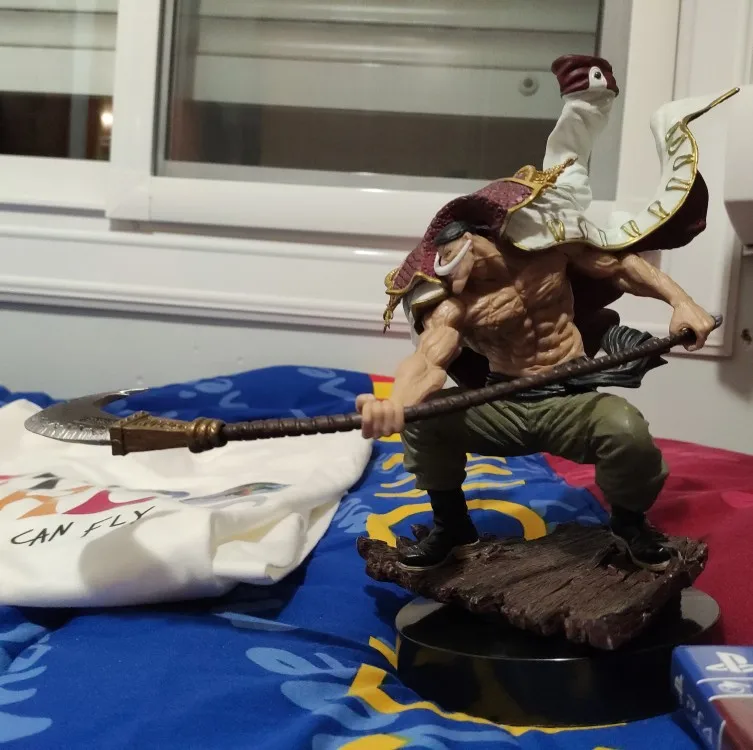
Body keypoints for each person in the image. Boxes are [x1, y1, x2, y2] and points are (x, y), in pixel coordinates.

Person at [357, 55, 729, 573]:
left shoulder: (548, 252)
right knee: (427, 419)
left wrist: (681, 302)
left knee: (626, 431)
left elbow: (622, 268)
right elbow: (428, 360)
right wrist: (396, 405)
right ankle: (452, 524)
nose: (449, 270)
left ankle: (629, 525)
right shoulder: (456, 304)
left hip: (568, 396)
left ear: (481, 235)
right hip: (502, 404)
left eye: (457, 253)